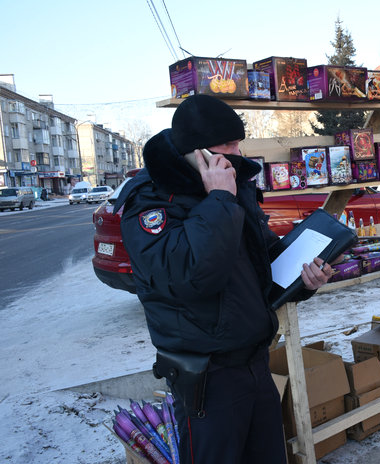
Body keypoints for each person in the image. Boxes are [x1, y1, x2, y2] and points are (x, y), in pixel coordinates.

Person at [115, 94, 333, 463]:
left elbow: (262, 262)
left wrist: (304, 280)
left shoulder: (234, 186)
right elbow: (193, 276)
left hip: (255, 360)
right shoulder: (151, 202)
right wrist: (218, 198)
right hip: (206, 376)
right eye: (226, 146)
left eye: (238, 142)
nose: (236, 153)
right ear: (195, 151)